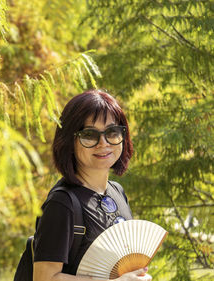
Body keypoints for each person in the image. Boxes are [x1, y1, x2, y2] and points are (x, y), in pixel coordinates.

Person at [33, 89, 152, 281]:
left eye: (112, 132)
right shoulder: (62, 203)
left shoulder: (117, 192)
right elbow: (44, 278)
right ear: (69, 142)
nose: (103, 143)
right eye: (89, 134)